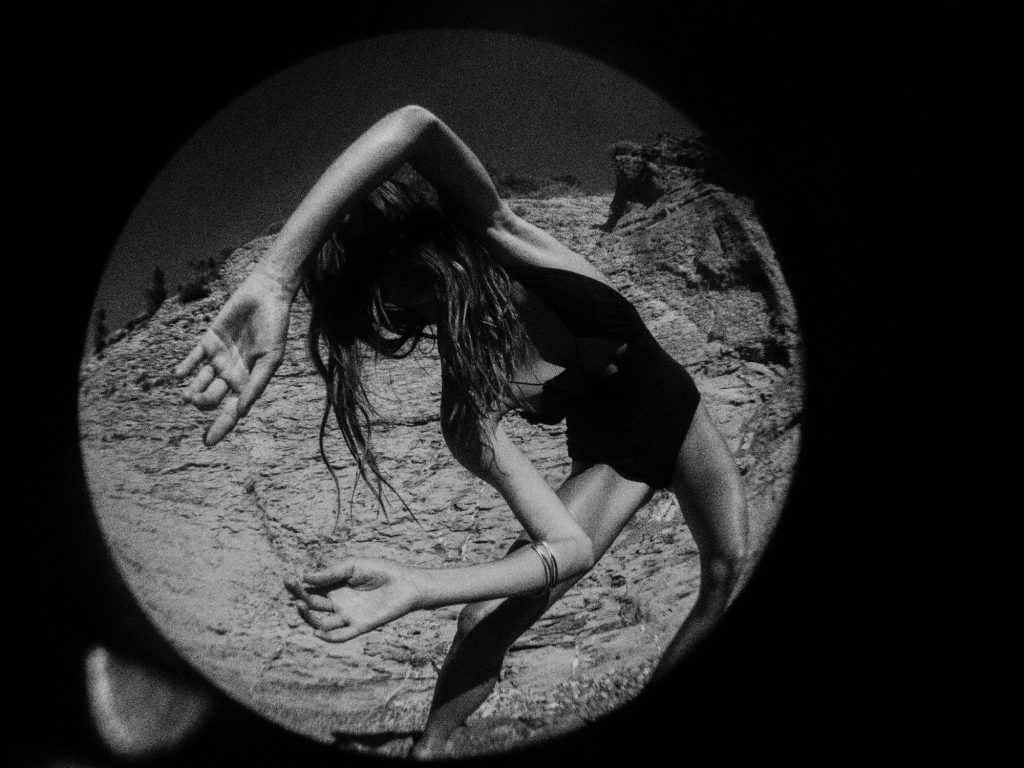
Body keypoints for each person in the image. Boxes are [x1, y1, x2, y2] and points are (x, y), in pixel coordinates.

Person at [174, 105, 750, 758]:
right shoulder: (467, 409)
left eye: (405, 262)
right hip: (614, 461)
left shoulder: (510, 241)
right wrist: (419, 586)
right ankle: (430, 749)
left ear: (428, 233)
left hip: (679, 411)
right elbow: (568, 550)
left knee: (727, 569)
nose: (411, 292)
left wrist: (274, 275)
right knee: (482, 618)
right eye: (389, 291)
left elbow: (415, 126)